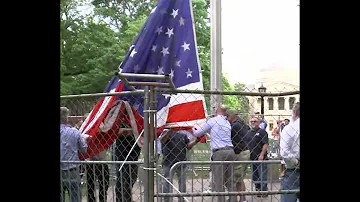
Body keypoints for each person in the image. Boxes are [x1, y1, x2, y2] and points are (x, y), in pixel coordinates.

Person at [191, 104, 237, 202]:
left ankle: (221, 200)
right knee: (231, 179)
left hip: (219, 152)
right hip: (230, 151)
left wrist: (193, 127)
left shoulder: (213, 121)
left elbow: (198, 133)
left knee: (219, 180)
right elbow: (216, 134)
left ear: (216, 110)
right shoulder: (227, 122)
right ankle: (233, 199)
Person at [161, 129, 201, 202]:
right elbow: (162, 140)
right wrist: (169, 131)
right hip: (168, 161)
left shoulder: (183, 134)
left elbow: (188, 146)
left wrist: (196, 141)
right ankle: (167, 199)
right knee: (167, 181)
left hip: (181, 161)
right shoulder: (166, 132)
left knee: (182, 182)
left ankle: (181, 198)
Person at [60, 107, 90, 202]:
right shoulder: (74, 132)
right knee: (75, 195)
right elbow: (84, 148)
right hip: (71, 169)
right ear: (66, 118)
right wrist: (85, 139)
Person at [85, 113, 110, 202]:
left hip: (102, 161)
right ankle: (91, 199)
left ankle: (103, 199)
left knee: (104, 183)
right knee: (90, 185)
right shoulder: (87, 132)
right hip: (90, 161)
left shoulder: (102, 130)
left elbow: (104, 129)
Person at [227, 109, 251, 202]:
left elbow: (227, 134)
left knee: (238, 177)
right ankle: (239, 198)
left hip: (240, 152)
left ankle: (242, 199)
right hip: (245, 151)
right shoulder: (243, 124)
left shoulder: (235, 125)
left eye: (227, 117)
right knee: (239, 177)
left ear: (231, 116)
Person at [115, 123, 141, 202]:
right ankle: (121, 198)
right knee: (122, 177)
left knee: (130, 176)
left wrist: (128, 131)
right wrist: (130, 131)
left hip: (134, 146)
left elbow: (141, 130)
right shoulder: (120, 117)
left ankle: (126, 198)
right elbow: (116, 132)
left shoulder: (136, 116)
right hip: (121, 148)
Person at [280, 102, 300, 202]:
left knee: (288, 198)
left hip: (293, 170)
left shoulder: (289, 129)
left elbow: (284, 153)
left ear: (294, 113)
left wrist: (295, 162)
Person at [247, 116, 269, 197]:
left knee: (262, 175)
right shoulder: (249, 132)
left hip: (261, 157)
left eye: (255, 121)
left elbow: (265, 144)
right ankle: (258, 191)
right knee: (255, 176)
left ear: (259, 123)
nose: (253, 122)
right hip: (252, 157)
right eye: (251, 121)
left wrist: (262, 154)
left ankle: (264, 191)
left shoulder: (262, 132)